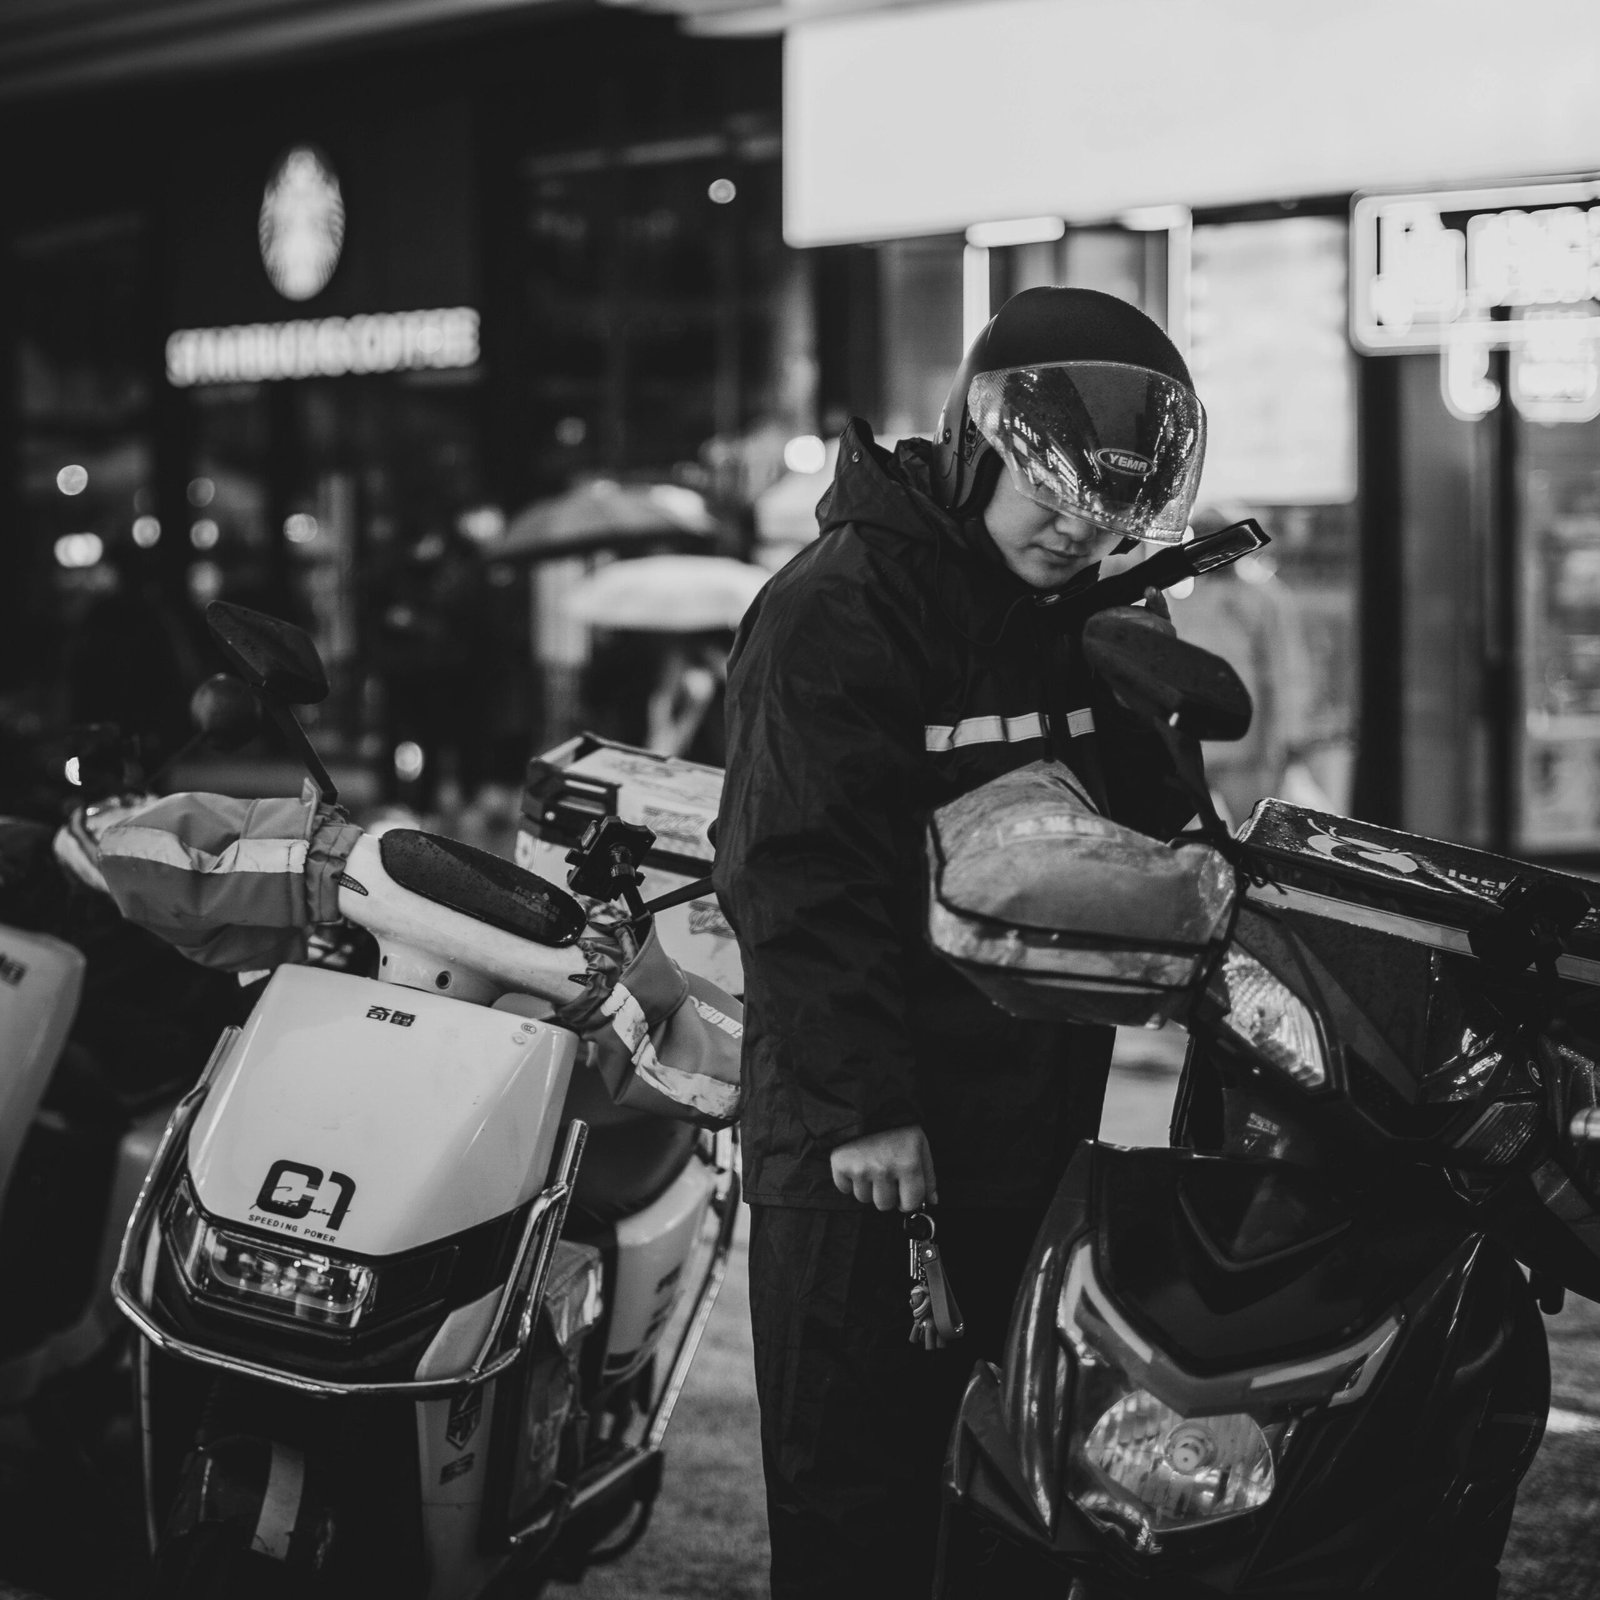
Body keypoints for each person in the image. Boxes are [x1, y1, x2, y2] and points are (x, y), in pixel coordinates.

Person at [713, 286, 1209, 1600]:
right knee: (861, 1507)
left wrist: (1153, 705)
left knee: (1016, 1499)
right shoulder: (841, 606)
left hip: (1035, 1132)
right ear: (981, 448)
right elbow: (794, 873)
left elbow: (1141, 850)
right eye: (1046, 487)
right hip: (869, 1157)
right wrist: (866, 1107)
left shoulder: (1079, 617)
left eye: (1102, 504)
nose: (1070, 524)